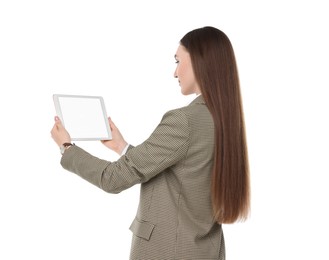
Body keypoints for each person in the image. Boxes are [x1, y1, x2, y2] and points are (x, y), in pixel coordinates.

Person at [51, 26, 250, 260]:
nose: (175, 73)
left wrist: (67, 148)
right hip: (205, 251)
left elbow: (112, 179)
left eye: (178, 61)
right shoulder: (224, 119)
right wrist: (121, 146)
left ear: (199, 61)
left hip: (167, 251)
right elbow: (180, 171)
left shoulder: (184, 120)